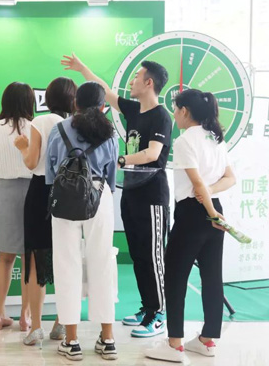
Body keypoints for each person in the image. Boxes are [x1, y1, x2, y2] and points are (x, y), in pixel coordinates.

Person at [62, 54, 171, 338]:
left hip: (153, 195)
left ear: (149, 83)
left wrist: (120, 160)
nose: (132, 81)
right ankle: (147, 308)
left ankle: (160, 313)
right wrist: (82, 68)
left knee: (153, 256)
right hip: (132, 192)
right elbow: (104, 91)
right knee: (138, 255)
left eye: (136, 77)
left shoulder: (161, 116)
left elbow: (153, 154)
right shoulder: (134, 109)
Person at [145, 89, 236, 363]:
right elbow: (229, 178)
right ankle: (207, 340)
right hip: (213, 210)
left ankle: (174, 344)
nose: (174, 115)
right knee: (212, 276)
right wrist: (211, 200)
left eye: (176, 109)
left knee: (175, 277)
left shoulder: (185, 140)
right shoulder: (215, 138)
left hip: (194, 214)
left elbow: (197, 184)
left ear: (184, 111)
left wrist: (208, 206)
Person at [46, 82, 119, 361]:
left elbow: (50, 171)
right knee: (102, 263)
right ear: (103, 106)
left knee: (67, 265)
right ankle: (108, 339)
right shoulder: (110, 132)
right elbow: (111, 175)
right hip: (100, 196)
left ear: (75, 103)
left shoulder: (60, 129)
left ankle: (72, 341)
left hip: (65, 196)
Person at [14, 77, 76, 346]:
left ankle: (36, 327)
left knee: (36, 260)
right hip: (67, 194)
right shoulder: (75, 123)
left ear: (48, 98)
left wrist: (22, 147)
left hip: (40, 191)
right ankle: (61, 323)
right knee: (64, 259)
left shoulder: (40, 122)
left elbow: (31, 162)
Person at [0, 82, 34, 332]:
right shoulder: (35, 127)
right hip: (32, 192)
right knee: (28, 258)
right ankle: (26, 317)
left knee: (4, 257)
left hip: (4, 191)